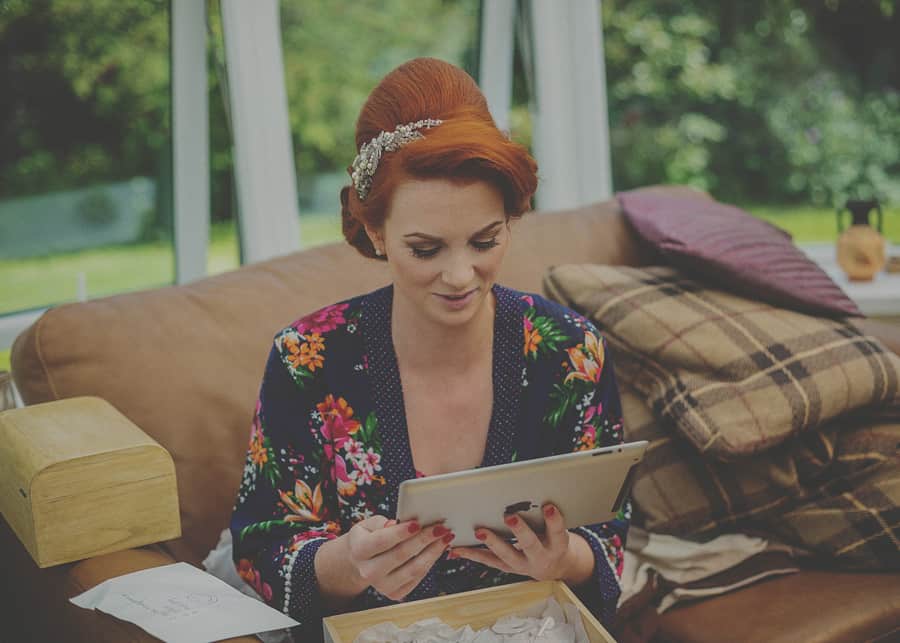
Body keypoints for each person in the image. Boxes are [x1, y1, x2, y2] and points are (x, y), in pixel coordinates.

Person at [230, 57, 629, 639]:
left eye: (485, 240)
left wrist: (563, 560)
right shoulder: (308, 359)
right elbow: (259, 542)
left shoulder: (571, 351)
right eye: (425, 249)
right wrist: (343, 563)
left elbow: (611, 523)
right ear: (375, 232)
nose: (462, 275)